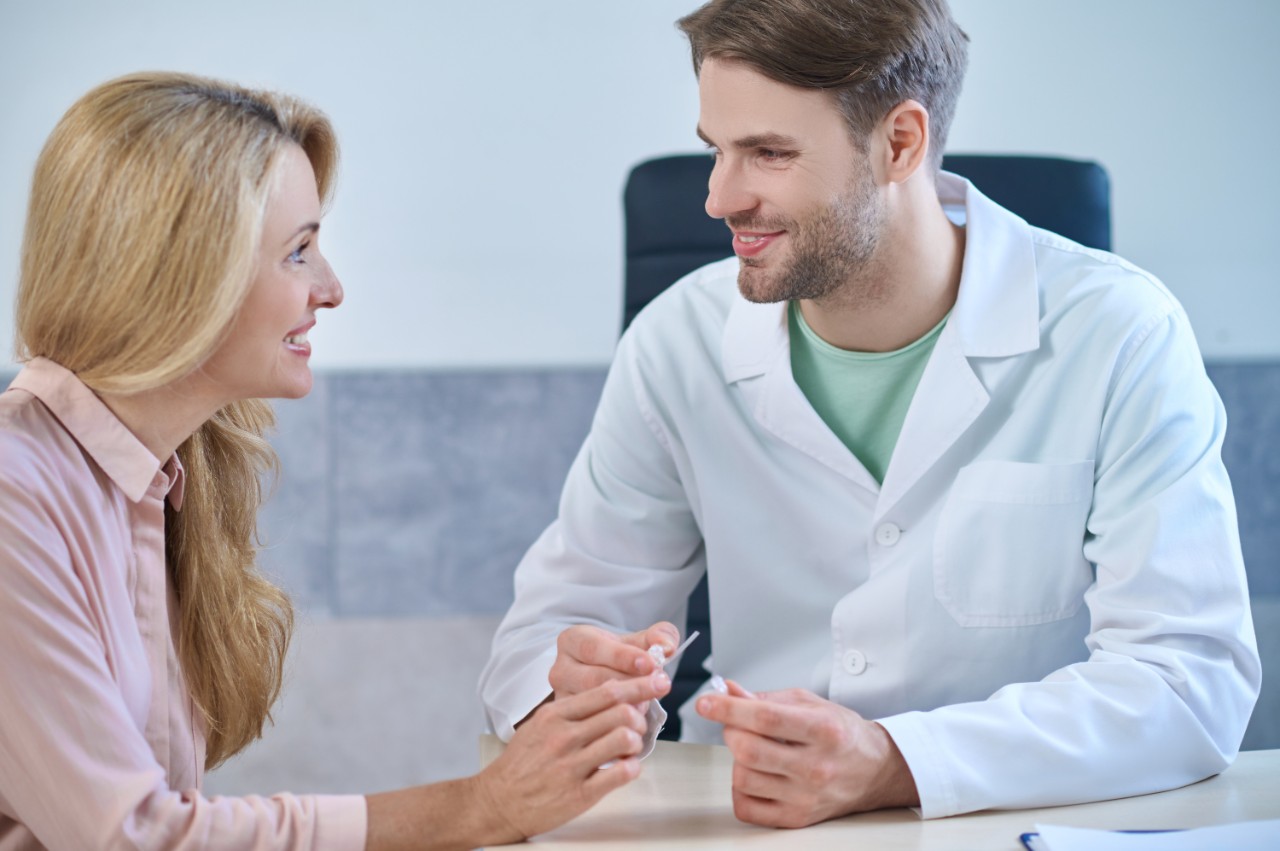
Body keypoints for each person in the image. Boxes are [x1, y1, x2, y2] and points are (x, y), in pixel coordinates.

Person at [479, 0, 1261, 827]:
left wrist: (895, 760)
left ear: (900, 143)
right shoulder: (677, 341)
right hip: (754, 824)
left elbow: (1188, 677)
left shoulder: (1118, 334)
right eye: (716, 151)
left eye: (768, 153)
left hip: (1017, 823)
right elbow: (545, 635)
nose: (717, 198)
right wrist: (570, 692)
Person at [0, 72, 670, 850]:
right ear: (185, 275)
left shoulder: (154, 478)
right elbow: (133, 836)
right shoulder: (15, 495)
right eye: (298, 253)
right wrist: (480, 808)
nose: (332, 289)